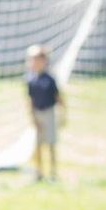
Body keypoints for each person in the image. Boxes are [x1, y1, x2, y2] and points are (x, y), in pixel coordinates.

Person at [25, 43, 66, 182]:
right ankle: (39, 172)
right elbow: (29, 100)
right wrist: (32, 117)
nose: (34, 62)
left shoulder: (50, 79)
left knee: (51, 144)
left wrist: (63, 113)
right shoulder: (30, 79)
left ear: (44, 61)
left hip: (49, 113)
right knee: (37, 146)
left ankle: (53, 173)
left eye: (37, 59)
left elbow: (58, 97)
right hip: (37, 114)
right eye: (32, 59)